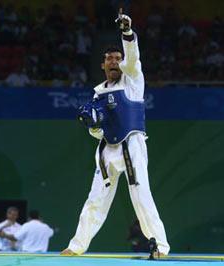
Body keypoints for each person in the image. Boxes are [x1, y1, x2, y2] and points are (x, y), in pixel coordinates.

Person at [61, 11, 170, 257]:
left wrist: (127, 33)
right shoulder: (98, 93)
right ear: (102, 64)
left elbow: (133, 56)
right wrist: (93, 126)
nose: (113, 61)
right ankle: (76, 246)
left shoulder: (133, 79)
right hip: (107, 150)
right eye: (109, 58)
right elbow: (97, 132)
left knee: (141, 197)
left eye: (117, 58)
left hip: (132, 145)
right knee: (95, 200)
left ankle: (161, 247)